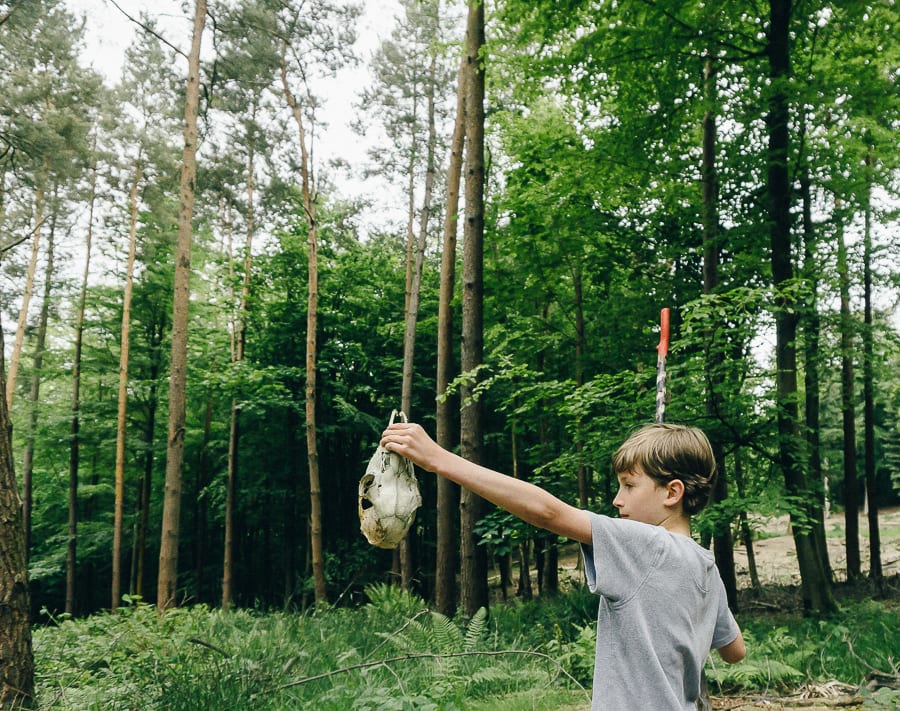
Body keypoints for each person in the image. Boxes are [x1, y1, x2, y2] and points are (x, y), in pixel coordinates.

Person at [380, 420, 746, 711]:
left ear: (672, 493)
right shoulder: (706, 568)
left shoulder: (648, 546)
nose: (617, 500)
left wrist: (438, 459)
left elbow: (548, 512)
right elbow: (734, 651)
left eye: (629, 486)